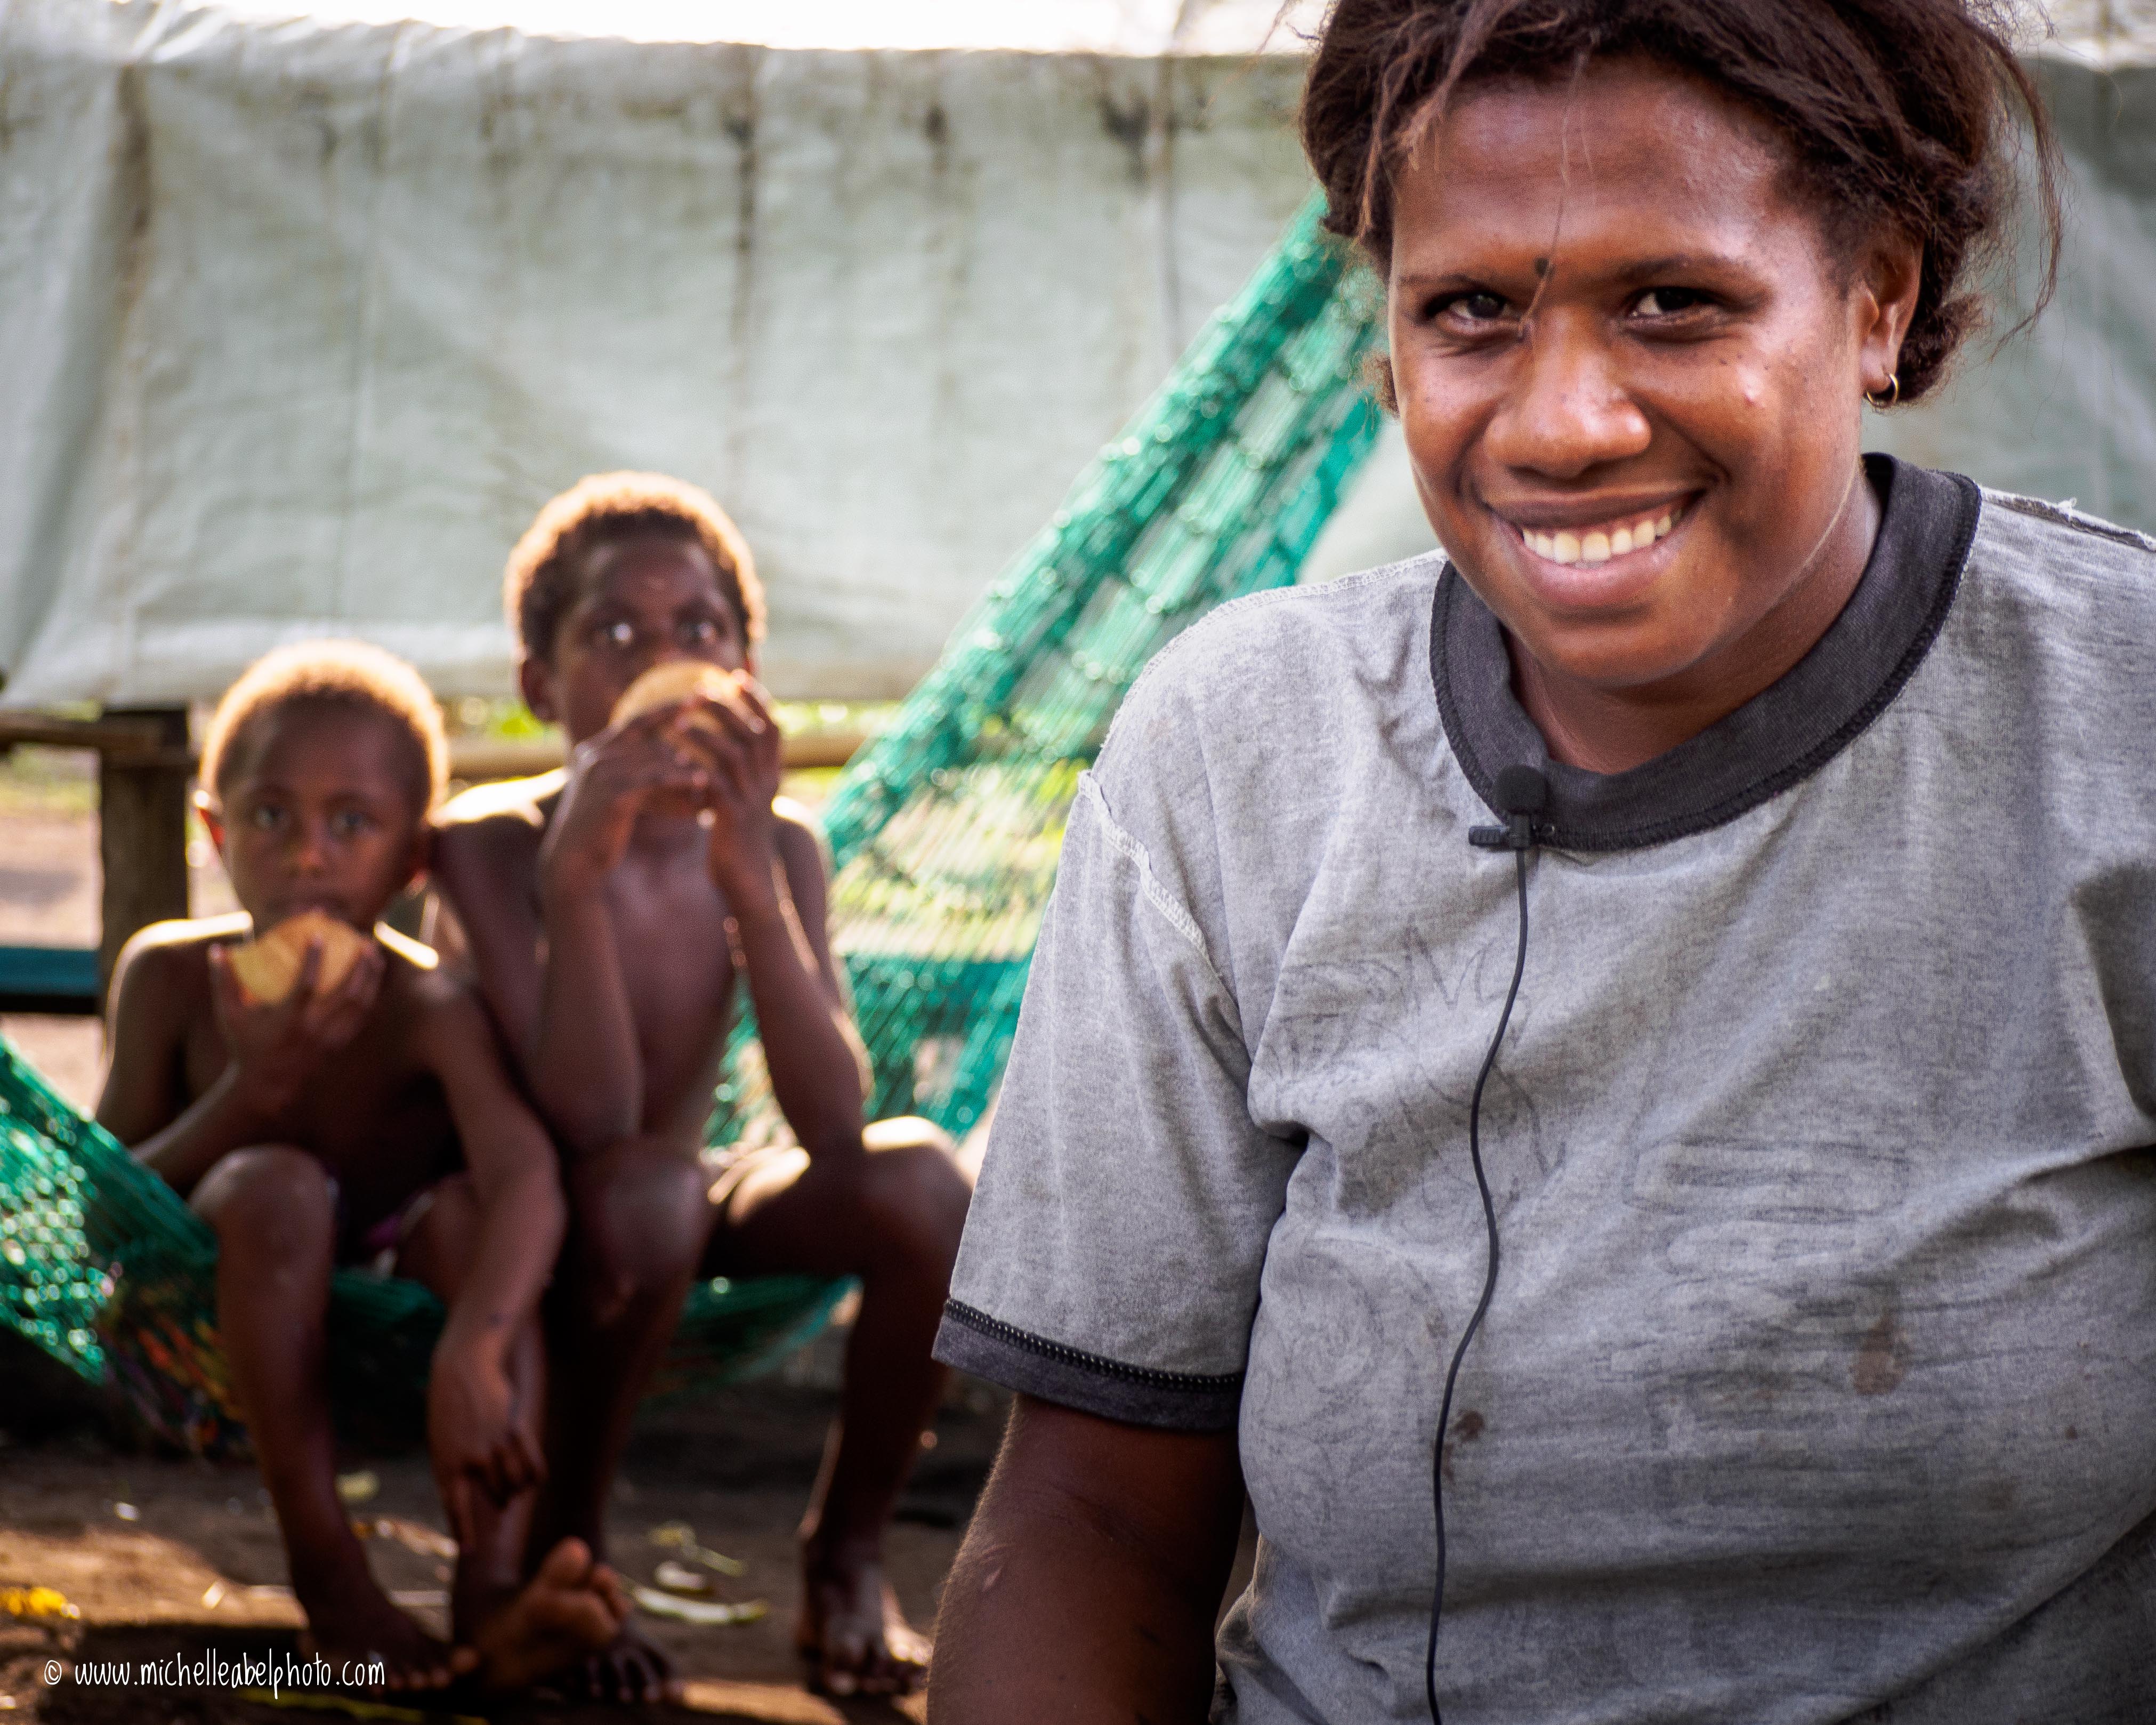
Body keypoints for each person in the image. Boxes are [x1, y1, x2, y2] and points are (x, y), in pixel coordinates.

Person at [929, 2, 2156, 1720]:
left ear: (1874, 298)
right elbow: (1087, 1515)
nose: (1561, 421)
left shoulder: (2114, 721)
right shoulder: (1239, 758)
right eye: (1470, 311)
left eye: (1672, 303)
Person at [431, 473, 973, 1702]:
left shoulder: (777, 841)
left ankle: (846, 1552)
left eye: (697, 629)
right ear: (538, 685)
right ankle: (570, 1552)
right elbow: (587, 1125)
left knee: (924, 1185)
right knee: (644, 1190)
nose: (660, 659)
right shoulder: (488, 844)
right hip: (532, 1216)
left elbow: (832, 1123)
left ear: (745, 674)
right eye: (614, 631)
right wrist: (573, 881)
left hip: (689, 1192)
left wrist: (746, 880)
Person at [98, 641, 631, 1694]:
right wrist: (251, 1092)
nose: (308, 857)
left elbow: (525, 1178)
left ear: (412, 861)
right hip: (213, 1310)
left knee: (473, 1221)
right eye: (270, 816)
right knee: (274, 1185)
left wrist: (475, 1347)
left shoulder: (426, 1007)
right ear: (215, 830)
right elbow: (103, 1209)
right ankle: (330, 1574)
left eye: (352, 824)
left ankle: (489, 1591)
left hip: (399, 1323)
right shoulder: (170, 977)